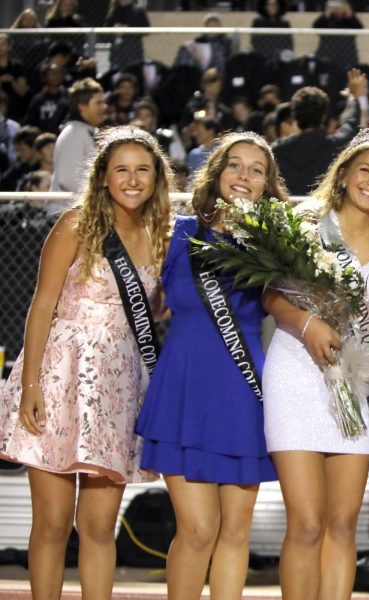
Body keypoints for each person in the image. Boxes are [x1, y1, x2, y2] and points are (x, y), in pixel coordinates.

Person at [0, 125, 173, 600]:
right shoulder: (76, 223)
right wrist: (31, 385)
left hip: (118, 383)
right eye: (122, 170)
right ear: (103, 177)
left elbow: (154, 309)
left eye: (143, 170)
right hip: (60, 374)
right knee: (53, 523)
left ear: (157, 177)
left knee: (97, 526)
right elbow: (41, 306)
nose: (133, 180)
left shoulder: (162, 233)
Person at [135, 131, 287, 599]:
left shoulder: (276, 242)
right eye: (234, 165)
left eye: (256, 169)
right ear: (217, 173)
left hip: (241, 392)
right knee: (198, 529)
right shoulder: (177, 233)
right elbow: (150, 304)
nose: (244, 176)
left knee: (234, 533)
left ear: (267, 183)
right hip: (183, 390)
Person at [263, 126, 369, 600]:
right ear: (343, 174)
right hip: (297, 371)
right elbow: (271, 295)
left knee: (342, 525)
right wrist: (309, 326)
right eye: (365, 170)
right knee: (306, 523)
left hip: (350, 382)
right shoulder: (306, 220)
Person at [273, 68, 367, 196]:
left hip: (287, 213)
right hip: (322, 214)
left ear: (295, 116)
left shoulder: (276, 150)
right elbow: (350, 123)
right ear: (324, 116)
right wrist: (353, 98)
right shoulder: (335, 145)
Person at [49, 78, 107, 215]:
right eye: (98, 103)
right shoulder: (73, 133)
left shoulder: (89, 131)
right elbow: (68, 179)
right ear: (82, 106)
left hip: (82, 213)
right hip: (63, 215)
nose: (104, 107)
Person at [313, 0, 364, 72]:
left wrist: (348, 13)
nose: (338, 8)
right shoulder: (327, 20)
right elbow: (316, 27)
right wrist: (326, 14)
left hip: (347, 56)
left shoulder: (349, 20)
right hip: (326, 55)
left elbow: (359, 28)